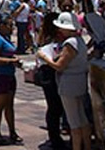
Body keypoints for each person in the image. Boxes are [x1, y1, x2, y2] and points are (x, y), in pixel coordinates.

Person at [37, 12, 91, 150]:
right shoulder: (80, 41)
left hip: (69, 83)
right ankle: (87, 146)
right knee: (82, 118)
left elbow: (59, 66)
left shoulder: (70, 43)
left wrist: (44, 57)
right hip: (79, 81)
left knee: (74, 121)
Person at [0, 14, 22, 146]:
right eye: (9, 25)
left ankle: (12, 131)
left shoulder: (5, 38)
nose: (12, 27)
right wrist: (12, 61)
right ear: (2, 26)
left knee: (9, 105)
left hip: (9, 75)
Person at [36, 12, 66, 150]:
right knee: (54, 106)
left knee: (55, 106)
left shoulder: (46, 36)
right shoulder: (49, 39)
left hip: (48, 72)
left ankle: (54, 136)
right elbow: (50, 56)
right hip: (49, 72)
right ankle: (54, 138)